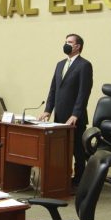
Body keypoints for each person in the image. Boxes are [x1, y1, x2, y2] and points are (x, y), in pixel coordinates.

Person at [38, 33, 94, 185]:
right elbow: (53, 89)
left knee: (77, 150)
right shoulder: (60, 64)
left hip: (75, 118)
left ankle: (80, 181)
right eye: (65, 42)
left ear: (78, 46)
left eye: (69, 42)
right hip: (59, 116)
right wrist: (48, 110)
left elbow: (84, 92)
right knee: (61, 150)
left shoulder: (84, 65)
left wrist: (75, 114)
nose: (66, 44)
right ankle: (63, 178)